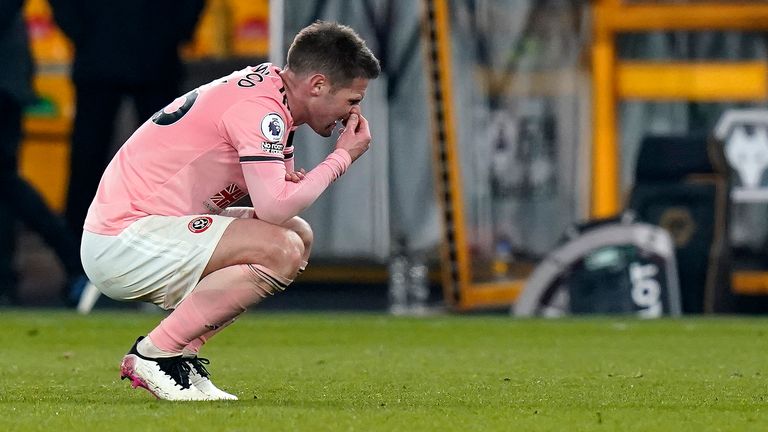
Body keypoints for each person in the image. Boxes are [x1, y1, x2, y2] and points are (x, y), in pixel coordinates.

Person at [81, 21, 380, 401]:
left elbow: (279, 194)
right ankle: (154, 354)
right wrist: (341, 158)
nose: (352, 114)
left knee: (298, 235)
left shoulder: (272, 94)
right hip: (124, 239)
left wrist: (291, 182)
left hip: (153, 228)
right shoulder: (262, 111)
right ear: (317, 85)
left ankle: (180, 357)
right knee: (280, 247)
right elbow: (273, 207)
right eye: (352, 101)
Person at [48, 0, 205, 253]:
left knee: (162, 159)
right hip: (130, 50)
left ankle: (167, 244)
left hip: (130, 49)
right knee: (92, 158)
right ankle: (78, 252)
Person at [0, 0, 88, 306]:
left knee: (7, 183)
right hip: (9, 79)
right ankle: (10, 280)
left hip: (4, 83)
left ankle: (75, 262)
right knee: (7, 187)